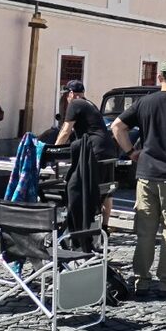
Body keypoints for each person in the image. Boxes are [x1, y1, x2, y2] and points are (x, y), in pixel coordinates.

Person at [110, 59, 166, 297]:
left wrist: (131, 152)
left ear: (159, 78)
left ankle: (141, 280)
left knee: (145, 231)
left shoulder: (144, 103)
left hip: (146, 175)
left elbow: (117, 126)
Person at [53, 80, 118, 224]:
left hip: (95, 150)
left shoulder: (75, 104)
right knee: (106, 189)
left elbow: (65, 131)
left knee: (85, 187)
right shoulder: (89, 104)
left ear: (71, 94)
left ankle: (85, 224)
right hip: (108, 148)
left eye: (66, 95)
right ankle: (105, 226)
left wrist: (53, 152)